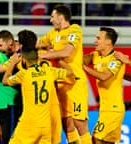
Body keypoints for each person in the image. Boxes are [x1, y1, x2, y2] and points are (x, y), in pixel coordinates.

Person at [2, 31, 74, 143]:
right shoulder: (49, 71)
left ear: (24, 60)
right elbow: (70, 72)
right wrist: (58, 59)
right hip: (45, 126)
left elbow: (5, 81)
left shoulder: (23, 75)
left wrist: (12, 64)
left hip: (28, 124)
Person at [37, 4, 92, 143]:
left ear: (61, 17)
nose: (50, 20)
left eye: (52, 17)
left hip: (75, 82)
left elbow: (67, 51)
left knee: (79, 122)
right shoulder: (52, 34)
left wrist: (45, 55)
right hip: (61, 82)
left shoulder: (74, 30)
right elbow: (36, 43)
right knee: (66, 123)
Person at [83, 27, 125, 144]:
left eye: (98, 38)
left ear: (108, 41)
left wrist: (84, 67)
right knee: (107, 142)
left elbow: (104, 76)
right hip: (105, 109)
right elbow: (80, 60)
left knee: (96, 138)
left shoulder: (116, 58)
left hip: (113, 109)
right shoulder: (96, 55)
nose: (95, 41)